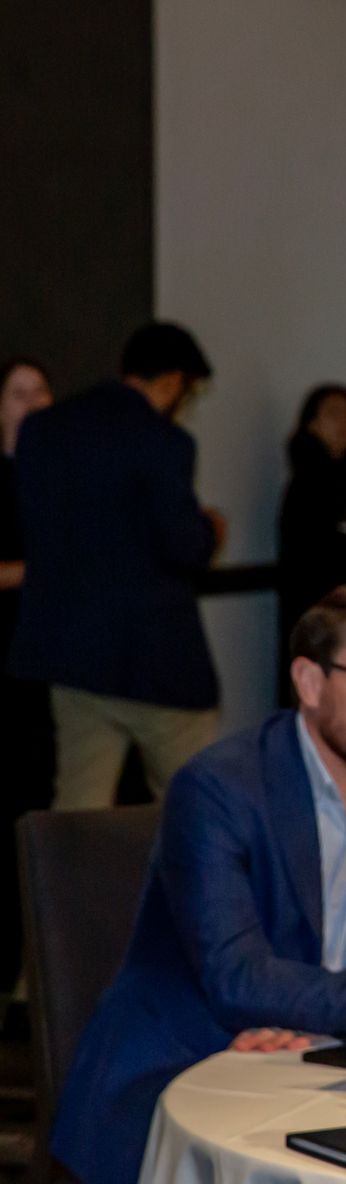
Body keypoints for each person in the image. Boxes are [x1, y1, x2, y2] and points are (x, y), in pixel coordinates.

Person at [51, 583, 346, 1184]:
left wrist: (308, 1005)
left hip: (324, 1064)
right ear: (309, 683)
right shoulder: (218, 788)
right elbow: (238, 979)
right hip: (183, 1066)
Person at [10, 322, 225, 807]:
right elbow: (183, 546)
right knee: (194, 808)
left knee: (79, 811)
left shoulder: (44, 430)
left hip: (69, 651)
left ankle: (66, 886)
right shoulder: (163, 442)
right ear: (172, 380)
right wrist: (213, 528)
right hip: (155, 660)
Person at [0, 358, 54, 986]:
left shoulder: (54, 476)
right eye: (21, 393)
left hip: (45, 672)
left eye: (43, 390)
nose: (37, 401)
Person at [277, 384, 346, 683]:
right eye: (334, 414)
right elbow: (313, 548)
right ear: (311, 425)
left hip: (342, 610)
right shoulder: (309, 482)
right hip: (315, 612)